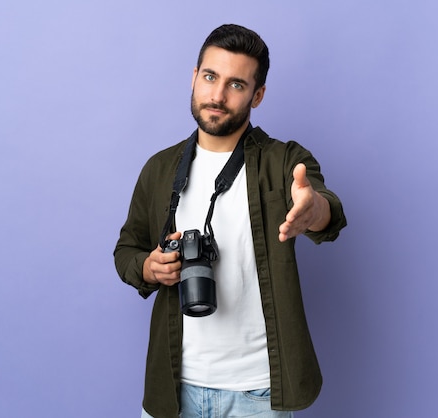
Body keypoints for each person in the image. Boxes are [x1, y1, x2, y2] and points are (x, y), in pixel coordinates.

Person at [114, 24, 347, 418]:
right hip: (173, 387)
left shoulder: (285, 160)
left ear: (257, 95)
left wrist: (314, 211)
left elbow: (327, 210)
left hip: (258, 393)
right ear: (194, 76)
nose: (217, 96)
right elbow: (126, 251)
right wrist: (149, 268)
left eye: (236, 85)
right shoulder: (159, 169)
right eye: (209, 77)